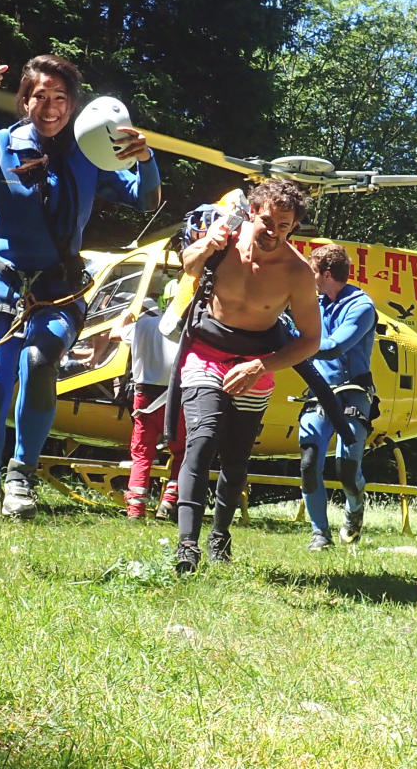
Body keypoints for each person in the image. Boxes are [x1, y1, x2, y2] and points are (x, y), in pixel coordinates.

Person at [0, 55, 160, 545]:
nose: (51, 107)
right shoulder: (0, 146)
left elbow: (145, 200)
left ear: (74, 105)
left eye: (61, 98)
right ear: (24, 99)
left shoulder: (87, 156)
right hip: (0, 287)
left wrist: (146, 159)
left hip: (60, 290)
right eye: (40, 96)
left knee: (41, 361)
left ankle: (22, 472)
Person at [171, 180, 321, 573]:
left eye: (284, 225)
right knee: (201, 443)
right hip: (206, 354)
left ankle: (220, 535)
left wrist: (261, 366)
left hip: (256, 364)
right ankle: (187, 545)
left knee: (236, 457)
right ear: (251, 212)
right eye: (267, 221)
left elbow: (310, 341)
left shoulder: (298, 272)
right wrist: (209, 243)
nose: (273, 231)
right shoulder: (224, 243)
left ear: (294, 226)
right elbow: (188, 265)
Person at [299, 244, 377, 549]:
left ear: (326, 274)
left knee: (346, 470)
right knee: (309, 462)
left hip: (353, 393)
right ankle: (320, 534)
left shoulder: (362, 306)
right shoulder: (314, 301)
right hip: (319, 392)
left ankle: (354, 510)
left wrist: (294, 342)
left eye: (311, 273)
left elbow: (333, 346)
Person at [111, 298, 185, 519]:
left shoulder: (141, 326)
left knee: (142, 454)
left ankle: (135, 509)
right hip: (175, 397)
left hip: (144, 399)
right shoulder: (187, 327)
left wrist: (124, 318)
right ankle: (169, 502)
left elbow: (114, 334)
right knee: (182, 451)